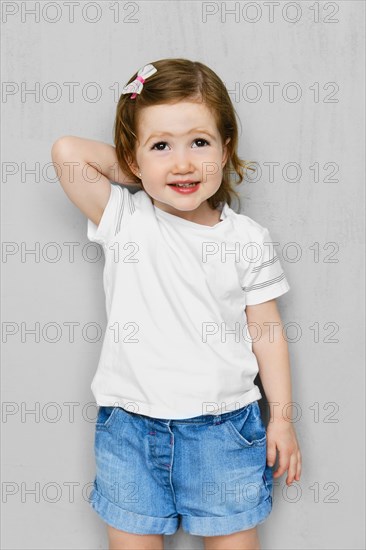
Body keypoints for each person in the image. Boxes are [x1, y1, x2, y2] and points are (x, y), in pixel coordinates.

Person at [51, 58, 302, 550]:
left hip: (225, 430)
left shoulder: (246, 239)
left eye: (200, 144)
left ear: (226, 148)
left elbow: (267, 333)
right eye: (162, 144)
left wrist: (284, 418)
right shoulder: (125, 217)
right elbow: (67, 152)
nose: (183, 163)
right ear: (133, 155)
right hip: (129, 430)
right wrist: (147, 169)